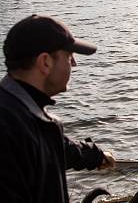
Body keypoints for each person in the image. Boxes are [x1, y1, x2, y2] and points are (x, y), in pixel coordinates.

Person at [0, 14, 116, 203]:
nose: (74, 64)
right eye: (69, 56)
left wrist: (94, 156)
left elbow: (53, 147)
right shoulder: (8, 126)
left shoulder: (23, 112)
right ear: (45, 62)